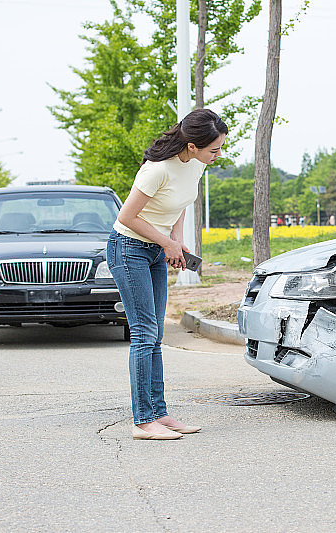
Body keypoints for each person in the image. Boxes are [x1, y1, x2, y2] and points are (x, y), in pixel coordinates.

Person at [107, 108, 227, 440]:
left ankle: (159, 414)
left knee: (155, 333)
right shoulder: (156, 171)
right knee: (144, 334)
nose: (218, 155)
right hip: (128, 248)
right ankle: (143, 421)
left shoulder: (197, 165)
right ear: (192, 146)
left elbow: (180, 204)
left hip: (156, 249)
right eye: (214, 149)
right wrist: (165, 242)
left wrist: (176, 241)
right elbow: (128, 216)